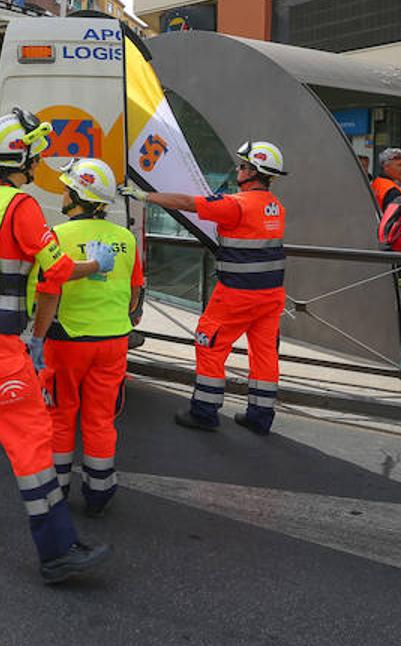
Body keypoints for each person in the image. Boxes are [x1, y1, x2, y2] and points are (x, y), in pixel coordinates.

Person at [0, 108, 116, 585]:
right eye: (37, 151)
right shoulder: (20, 206)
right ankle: (56, 550)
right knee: (31, 433)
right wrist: (94, 266)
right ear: (24, 157)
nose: (40, 160)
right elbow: (54, 269)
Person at [121, 140, 288, 435]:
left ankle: (204, 411)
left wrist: (145, 196)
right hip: (271, 295)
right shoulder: (277, 208)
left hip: (236, 294)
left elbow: (188, 203)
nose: (238, 169)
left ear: (253, 171)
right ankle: (261, 417)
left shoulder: (236, 205)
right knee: (264, 355)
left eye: (243, 165)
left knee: (209, 344)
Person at [28, 158, 143, 518]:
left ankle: (58, 486)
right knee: (101, 417)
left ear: (78, 195)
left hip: (67, 341)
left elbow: (45, 293)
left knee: (61, 414)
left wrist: (36, 339)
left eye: (67, 189)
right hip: (113, 341)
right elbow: (135, 292)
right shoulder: (125, 238)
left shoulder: (58, 237)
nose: (63, 193)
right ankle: (99, 489)